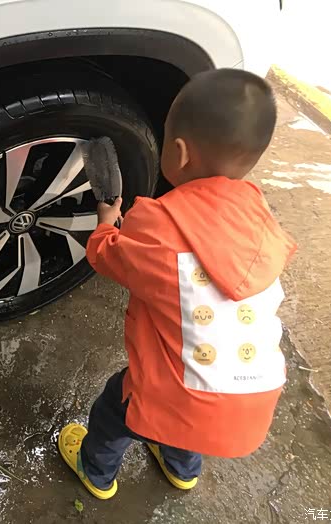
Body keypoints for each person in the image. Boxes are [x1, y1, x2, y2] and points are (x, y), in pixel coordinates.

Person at [58, 69, 297, 499]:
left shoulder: (157, 224)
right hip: (253, 399)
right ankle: (181, 469)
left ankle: (95, 472)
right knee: (192, 411)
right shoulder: (260, 216)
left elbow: (107, 257)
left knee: (115, 410)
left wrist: (107, 226)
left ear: (180, 153)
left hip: (179, 397)